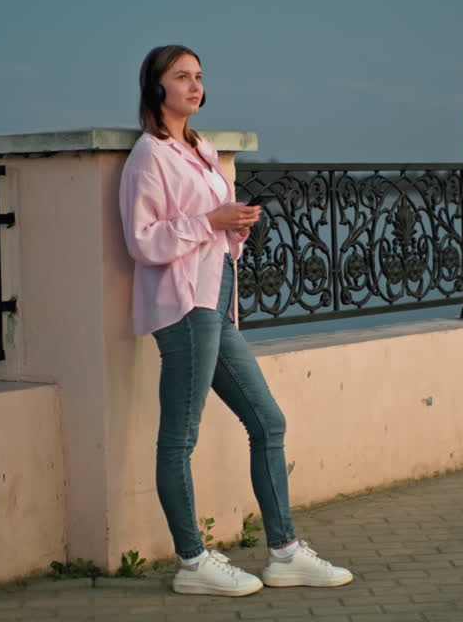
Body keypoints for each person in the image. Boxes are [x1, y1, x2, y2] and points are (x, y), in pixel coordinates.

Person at [118, 45, 354, 597]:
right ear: (156, 88)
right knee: (180, 438)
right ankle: (193, 562)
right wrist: (211, 221)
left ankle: (285, 553)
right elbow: (143, 241)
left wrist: (233, 228)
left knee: (267, 422)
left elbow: (207, 228)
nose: (194, 86)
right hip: (182, 308)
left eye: (199, 76)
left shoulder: (202, 147)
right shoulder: (147, 157)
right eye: (181, 77)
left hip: (218, 303)